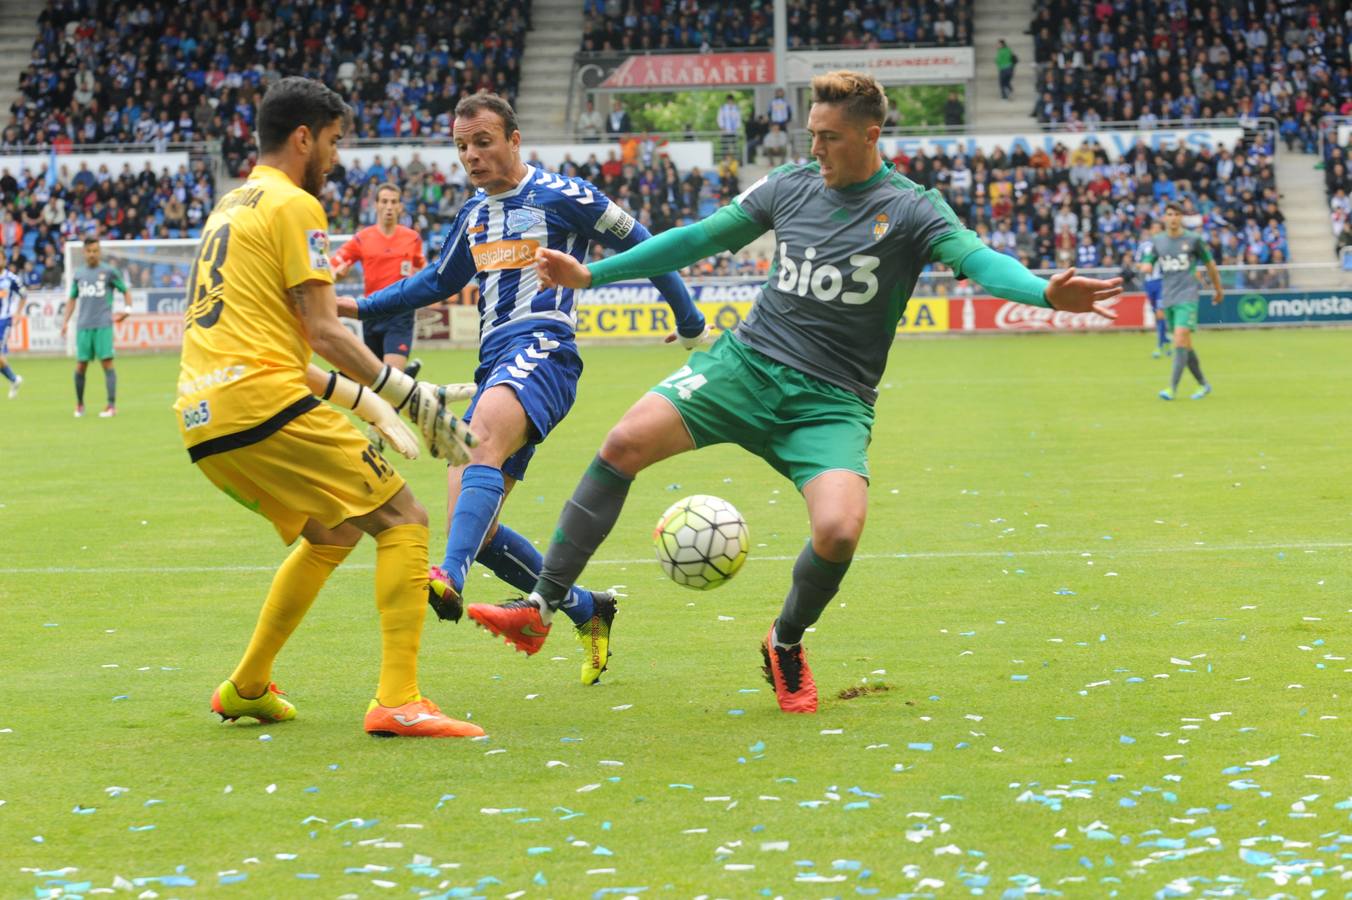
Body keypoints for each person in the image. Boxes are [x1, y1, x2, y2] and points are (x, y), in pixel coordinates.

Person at [474, 70, 1123, 714]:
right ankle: (540, 606)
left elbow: (980, 262)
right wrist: (594, 273)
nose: (815, 149)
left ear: (871, 136)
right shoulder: (789, 186)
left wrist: (1042, 291)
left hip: (831, 402)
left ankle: (784, 642)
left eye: (830, 138)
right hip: (745, 367)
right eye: (811, 135)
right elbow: (701, 237)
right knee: (622, 443)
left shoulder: (913, 209)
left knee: (840, 531)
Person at [340, 92, 706, 687]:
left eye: (482, 142)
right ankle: (590, 610)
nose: (471, 156)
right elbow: (435, 280)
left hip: (544, 350)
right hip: (495, 366)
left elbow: (647, 245)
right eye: (461, 146)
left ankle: (448, 578)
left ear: (514, 139)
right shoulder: (473, 216)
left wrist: (689, 321)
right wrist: (356, 305)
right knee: (476, 527)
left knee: (475, 451)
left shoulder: (567, 196)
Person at [173, 76, 478, 738]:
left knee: (333, 530)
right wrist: (410, 396)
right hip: (259, 403)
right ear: (304, 137)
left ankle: (248, 687)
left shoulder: (230, 207)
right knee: (404, 517)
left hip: (202, 417)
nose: (337, 159)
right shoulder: (295, 206)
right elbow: (325, 329)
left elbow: (278, 349)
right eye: (334, 141)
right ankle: (399, 700)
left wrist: (369, 404)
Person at [330, 181, 426, 377]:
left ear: (400, 206)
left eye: (393, 202)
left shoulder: (412, 238)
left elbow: (421, 266)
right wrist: (336, 275)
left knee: (391, 377)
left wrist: (419, 281)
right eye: (384, 201)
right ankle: (407, 376)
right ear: (376, 204)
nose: (389, 206)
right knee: (375, 380)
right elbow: (333, 265)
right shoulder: (362, 238)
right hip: (371, 311)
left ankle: (402, 377)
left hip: (401, 311)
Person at [1144, 201, 1223, 400]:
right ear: (1164, 218)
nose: (1173, 218)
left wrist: (1218, 289)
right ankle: (1203, 384)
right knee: (1185, 344)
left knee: (1179, 337)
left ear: (1181, 218)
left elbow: (1210, 265)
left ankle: (1171, 388)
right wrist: (1144, 266)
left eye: (1176, 214)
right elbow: (1148, 261)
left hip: (1188, 295)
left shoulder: (1194, 239)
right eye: (1169, 214)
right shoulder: (1158, 241)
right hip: (1169, 296)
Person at [60, 237, 131, 417]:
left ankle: (111, 406)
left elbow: (125, 290)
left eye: (95, 251)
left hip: (103, 325)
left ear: (99, 252)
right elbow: (72, 299)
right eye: (89, 251)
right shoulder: (79, 274)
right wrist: (65, 322)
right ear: (84, 252)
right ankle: (79, 405)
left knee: (107, 363)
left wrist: (127, 310)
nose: (92, 254)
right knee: (81, 366)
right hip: (83, 326)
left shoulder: (109, 272)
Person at [1136, 222, 1170, 358]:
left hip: (1163, 281)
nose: (1156, 231)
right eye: (1153, 228)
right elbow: (1137, 262)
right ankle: (1165, 340)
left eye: (1158, 228)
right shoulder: (1144, 246)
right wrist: (1144, 266)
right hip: (1149, 283)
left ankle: (1159, 345)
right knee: (1157, 313)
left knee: (1161, 313)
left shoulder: (1167, 245)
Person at [0, 255, 24, 397]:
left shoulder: (12, 279)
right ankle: (14, 379)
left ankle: (14, 379)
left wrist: (18, 313)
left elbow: (24, 295)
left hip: (4, 320)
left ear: (4, 260)